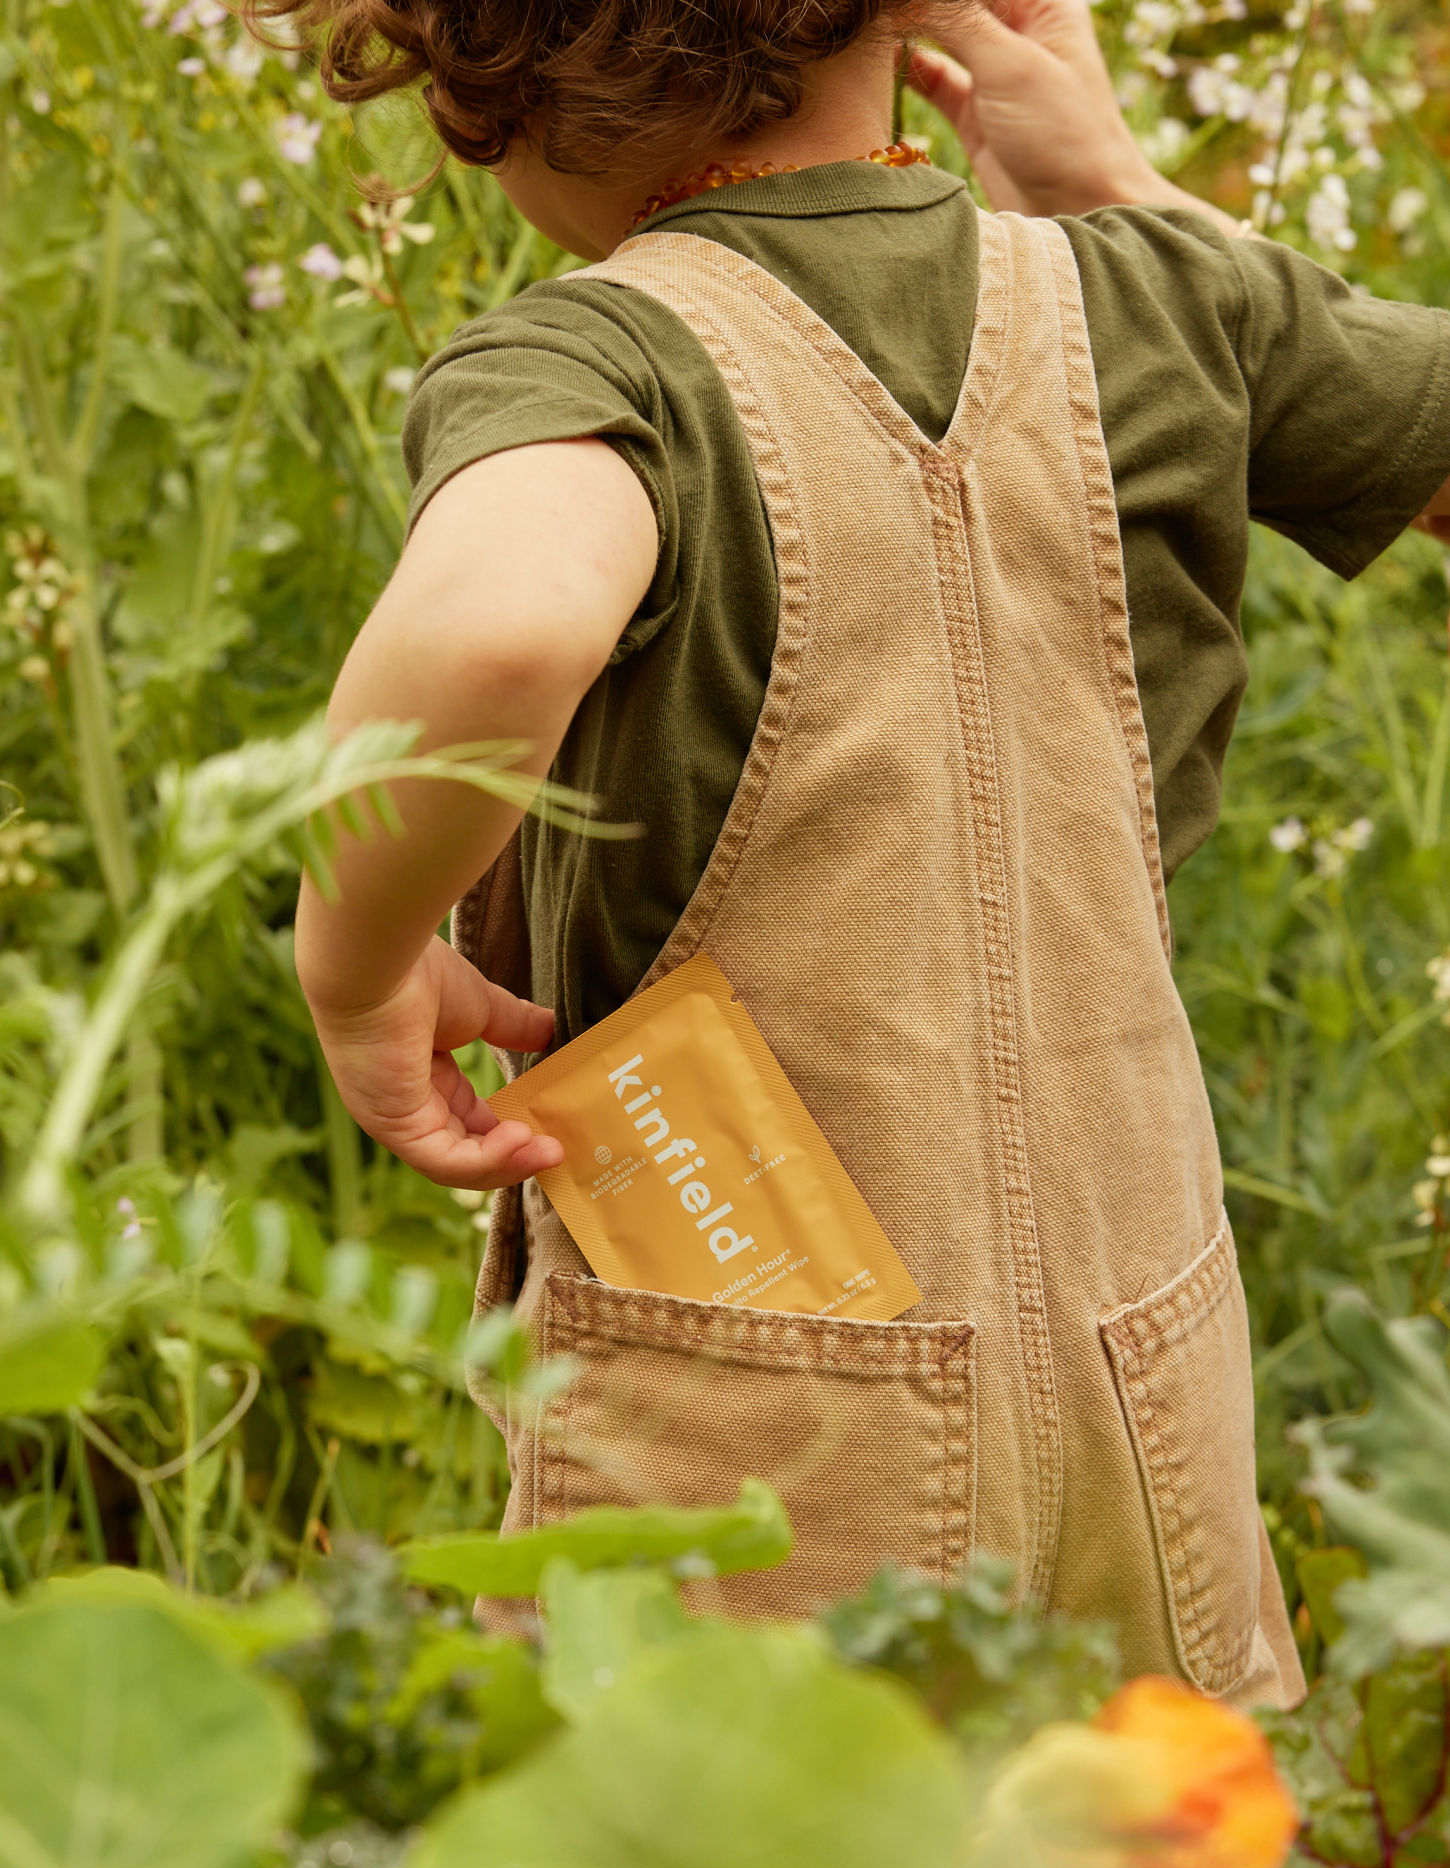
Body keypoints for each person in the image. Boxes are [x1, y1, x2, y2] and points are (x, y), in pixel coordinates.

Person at [283, 0, 1450, 1704]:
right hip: (1142, 1384)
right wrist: (1122, 192)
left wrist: (355, 957)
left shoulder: (597, 362)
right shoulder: (1158, 301)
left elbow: (498, 627)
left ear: (486, 81)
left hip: (760, 1439)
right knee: (1127, 1852)